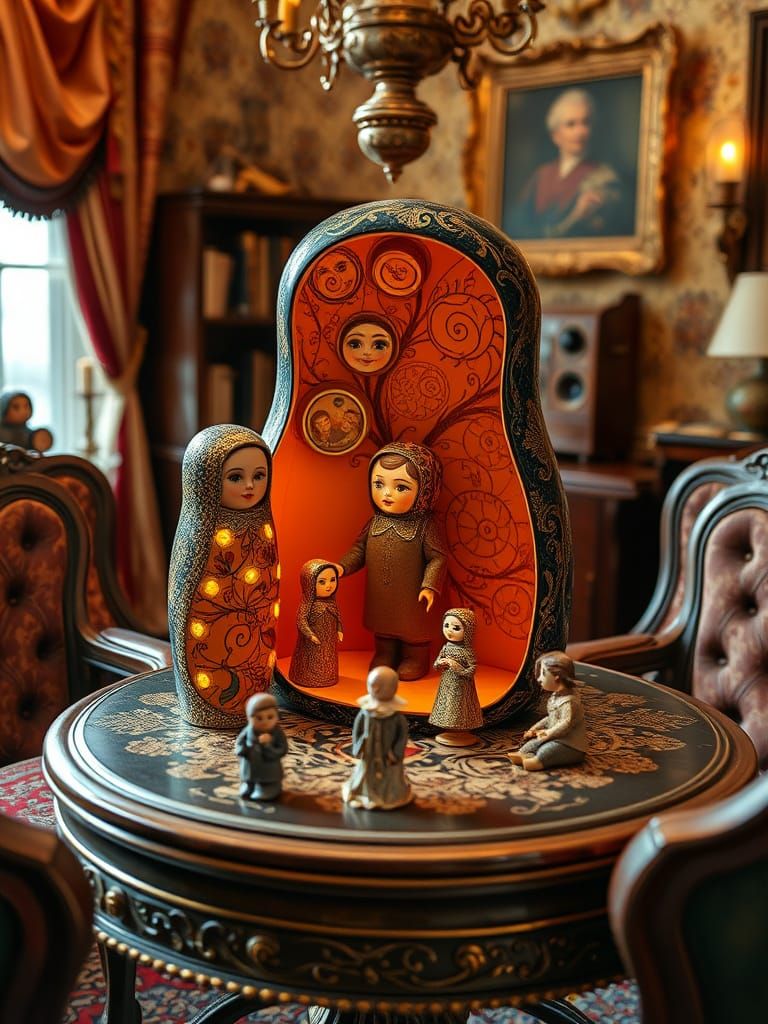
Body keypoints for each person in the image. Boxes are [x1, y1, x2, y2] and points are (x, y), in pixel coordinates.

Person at [168, 424, 279, 728]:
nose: (249, 486)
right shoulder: (198, 533)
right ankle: (204, 708)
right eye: (235, 477)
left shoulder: (264, 527)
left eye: (259, 475)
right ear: (204, 479)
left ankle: (251, 703)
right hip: (209, 648)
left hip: (253, 640)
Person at [337, 442, 447, 681]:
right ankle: (385, 654)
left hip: (412, 596)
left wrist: (429, 586)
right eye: (379, 484)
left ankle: (416, 658)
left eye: (401, 487)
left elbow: (438, 557)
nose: (387, 494)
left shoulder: (425, 526)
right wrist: (341, 567)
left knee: (414, 630)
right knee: (383, 628)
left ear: (425, 490)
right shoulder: (375, 521)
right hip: (382, 595)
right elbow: (359, 549)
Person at [509, 88, 625, 239]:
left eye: (586, 122)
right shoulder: (542, 174)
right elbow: (517, 225)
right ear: (555, 135)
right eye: (571, 124)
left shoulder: (604, 177)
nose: (580, 131)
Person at [342, 666, 412, 810]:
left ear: (392, 688)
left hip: (388, 756)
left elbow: (402, 736)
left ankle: (388, 797)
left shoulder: (396, 717)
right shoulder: (365, 712)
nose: (375, 689)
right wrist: (359, 746)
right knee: (366, 774)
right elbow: (357, 731)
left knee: (390, 776)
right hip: (369, 753)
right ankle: (365, 795)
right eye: (372, 684)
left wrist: (396, 753)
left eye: (380, 685)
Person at [507, 650, 586, 771]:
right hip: (554, 736)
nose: (539, 679)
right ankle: (523, 754)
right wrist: (534, 729)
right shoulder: (556, 696)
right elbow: (550, 718)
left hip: (570, 744)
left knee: (547, 749)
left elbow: (565, 724)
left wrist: (548, 733)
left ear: (557, 677)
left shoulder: (569, 702)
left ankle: (538, 761)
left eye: (543, 674)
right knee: (532, 744)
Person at [429, 608, 483, 744]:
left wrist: (457, 667)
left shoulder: (467, 651)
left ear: (468, 630)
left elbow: (471, 670)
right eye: (446, 625)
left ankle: (460, 731)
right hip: (447, 684)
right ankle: (450, 729)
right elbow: (435, 665)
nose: (449, 630)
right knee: (447, 706)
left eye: (456, 628)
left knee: (460, 707)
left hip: (462, 686)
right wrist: (439, 663)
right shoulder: (446, 648)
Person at [289, 560, 343, 687]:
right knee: (311, 660)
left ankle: (328, 677)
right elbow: (301, 620)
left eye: (333, 580)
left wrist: (339, 630)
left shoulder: (332, 603)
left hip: (328, 643)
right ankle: (306, 677)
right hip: (311, 645)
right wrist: (310, 635)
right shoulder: (308, 605)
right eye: (322, 582)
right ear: (309, 583)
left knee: (327, 659)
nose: (329, 586)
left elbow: (337, 618)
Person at [235, 693, 288, 800]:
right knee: (249, 777)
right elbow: (239, 744)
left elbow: (282, 749)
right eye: (259, 718)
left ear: (277, 716)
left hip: (269, 768)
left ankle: (268, 788)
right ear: (250, 718)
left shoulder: (277, 733)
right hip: (250, 765)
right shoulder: (248, 731)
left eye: (270, 717)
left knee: (268, 780)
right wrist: (244, 749)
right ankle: (249, 785)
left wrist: (267, 745)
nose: (265, 722)